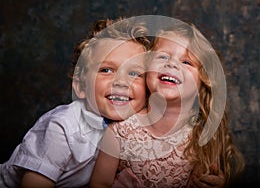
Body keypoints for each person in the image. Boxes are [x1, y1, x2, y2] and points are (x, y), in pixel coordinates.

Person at [90, 21, 244, 187]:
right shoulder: (119, 133)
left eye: (187, 62)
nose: (172, 64)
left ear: (202, 83)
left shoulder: (203, 140)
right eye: (163, 56)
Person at [0, 18, 150, 188]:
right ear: (80, 87)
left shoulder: (136, 128)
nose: (121, 81)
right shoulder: (62, 127)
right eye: (106, 70)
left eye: (134, 73)